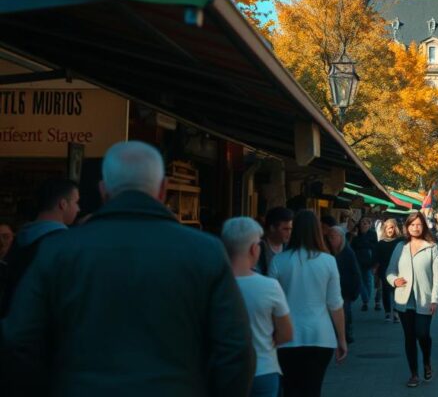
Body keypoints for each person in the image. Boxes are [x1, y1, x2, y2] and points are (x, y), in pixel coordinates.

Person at [3, 141, 255, 396]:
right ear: (163, 189)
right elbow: (236, 350)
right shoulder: (205, 252)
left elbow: (19, 340)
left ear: (103, 190)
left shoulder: (58, 251)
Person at [270, 209, 348, 397]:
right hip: (320, 335)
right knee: (313, 389)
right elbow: (335, 304)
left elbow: (270, 303)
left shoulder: (278, 261)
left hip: (286, 336)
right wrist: (342, 338)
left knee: (290, 388)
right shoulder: (328, 261)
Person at [222, 217, 294, 397]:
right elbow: (286, 333)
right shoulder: (269, 287)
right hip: (263, 368)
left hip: (223, 370)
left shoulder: (210, 285)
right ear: (254, 249)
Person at [0, 179, 79, 317]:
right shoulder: (65, 244)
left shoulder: (19, 240)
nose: (78, 209)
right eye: (76, 202)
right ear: (63, 204)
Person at [386, 211, 438, 388]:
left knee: (423, 334)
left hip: (424, 300)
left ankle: (427, 362)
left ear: (424, 226)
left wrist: (434, 299)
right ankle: (414, 374)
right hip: (404, 300)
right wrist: (394, 280)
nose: (415, 228)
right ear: (407, 227)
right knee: (409, 337)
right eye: (412, 225)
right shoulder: (400, 247)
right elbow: (389, 270)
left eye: (419, 224)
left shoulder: (432, 247)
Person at [326, 224, 362, 344]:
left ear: (341, 237)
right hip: (330, 290)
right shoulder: (327, 253)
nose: (330, 239)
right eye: (329, 237)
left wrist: (355, 291)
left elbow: (356, 273)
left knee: (345, 312)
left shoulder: (348, 253)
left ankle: (346, 334)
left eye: (333, 237)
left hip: (345, 290)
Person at [376, 218, 404, 323]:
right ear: (384, 229)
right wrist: (374, 268)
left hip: (398, 269)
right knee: (386, 291)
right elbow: (376, 257)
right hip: (384, 269)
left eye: (392, 227)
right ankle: (388, 312)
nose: (390, 230)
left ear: (395, 228)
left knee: (397, 291)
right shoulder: (381, 243)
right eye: (388, 228)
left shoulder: (400, 242)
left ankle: (396, 312)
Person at [351, 216, 379, 311]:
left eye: (365, 223)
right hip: (357, 261)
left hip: (369, 260)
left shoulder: (372, 234)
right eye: (361, 223)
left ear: (369, 225)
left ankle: (365, 301)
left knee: (368, 281)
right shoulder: (355, 234)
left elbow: (375, 247)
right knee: (360, 281)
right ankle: (365, 299)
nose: (363, 225)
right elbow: (352, 246)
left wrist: (375, 263)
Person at [256, 206, 293, 276]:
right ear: (272, 228)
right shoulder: (259, 248)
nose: (289, 232)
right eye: (285, 229)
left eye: (290, 229)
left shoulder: (290, 248)